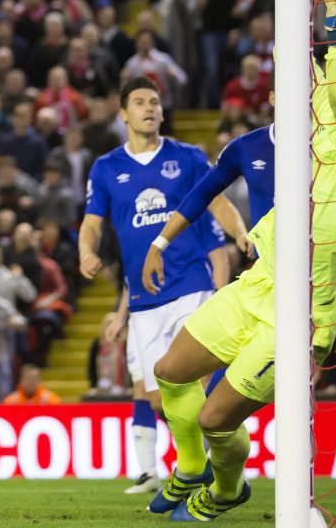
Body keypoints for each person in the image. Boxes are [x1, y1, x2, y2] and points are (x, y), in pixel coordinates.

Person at [148, 0, 336, 520]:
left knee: (217, 418)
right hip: (260, 282)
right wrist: (310, 7)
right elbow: (312, 82)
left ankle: (226, 488)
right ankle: (194, 468)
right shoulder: (327, 119)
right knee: (169, 371)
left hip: (304, 312)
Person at [78, 76, 247, 495]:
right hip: (142, 299)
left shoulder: (186, 157)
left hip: (191, 286)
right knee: (155, 397)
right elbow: (92, 224)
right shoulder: (106, 169)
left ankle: (212, 468)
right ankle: (185, 465)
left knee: (202, 383)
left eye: (155, 101)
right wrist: (86, 252)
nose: (150, 108)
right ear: (123, 114)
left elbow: (218, 201)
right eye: (139, 102)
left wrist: (241, 233)